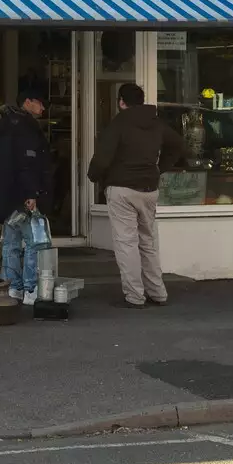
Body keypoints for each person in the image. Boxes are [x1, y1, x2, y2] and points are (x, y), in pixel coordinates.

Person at [88, 82, 184, 309]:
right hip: (149, 189)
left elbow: (102, 158)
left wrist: (94, 176)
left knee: (126, 244)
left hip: (122, 189)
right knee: (148, 242)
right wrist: (160, 168)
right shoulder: (156, 123)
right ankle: (158, 293)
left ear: (122, 102)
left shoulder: (119, 123)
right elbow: (178, 144)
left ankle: (134, 296)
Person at [0, 88, 53, 305]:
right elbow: (27, 162)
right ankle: (31, 288)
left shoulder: (4, 123)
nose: (43, 108)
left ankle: (11, 288)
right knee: (34, 242)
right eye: (40, 102)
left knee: (11, 243)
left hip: (6, 193)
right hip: (22, 193)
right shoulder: (25, 127)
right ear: (28, 101)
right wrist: (32, 192)